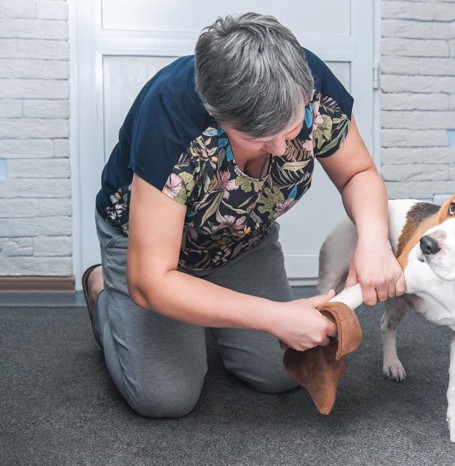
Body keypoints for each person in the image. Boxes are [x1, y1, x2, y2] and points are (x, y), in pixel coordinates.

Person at [82, 12, 405, 418]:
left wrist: (373, 241)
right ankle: (103, 291)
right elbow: (151, 281)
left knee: (283, 371)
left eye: (289, 132)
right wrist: (273, 316)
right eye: (256, 138)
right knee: (164, 398)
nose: (278, 150)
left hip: (240, 240)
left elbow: (357, 173)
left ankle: (205, 314)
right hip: (151, 257)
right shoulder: (171, 115)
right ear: (215, 114)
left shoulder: (310, 82)